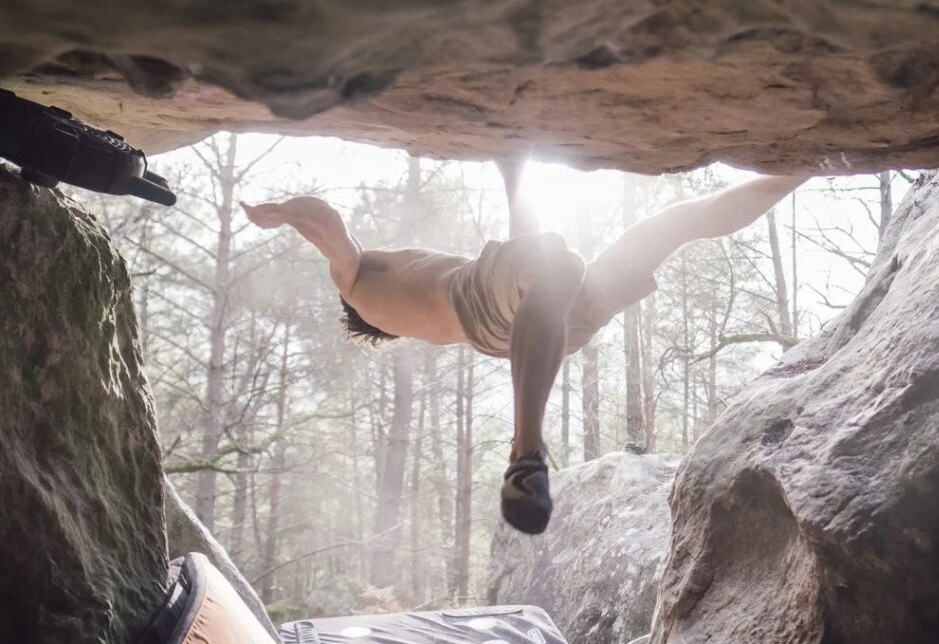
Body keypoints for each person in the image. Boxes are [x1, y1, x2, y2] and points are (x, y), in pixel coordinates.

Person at [242, 169, 808, 534]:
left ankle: (802, 167)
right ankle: (525, 452)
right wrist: (284, 211)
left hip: (544, 319)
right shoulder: (357, 285)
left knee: (671, 225)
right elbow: (329, 228)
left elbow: (513, 262)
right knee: (549, 255)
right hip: (503, 311)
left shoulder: (408, 299)